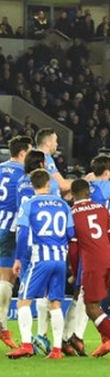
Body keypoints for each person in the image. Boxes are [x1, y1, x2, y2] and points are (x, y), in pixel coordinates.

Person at [7, 169, 74, 359]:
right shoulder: (63, 204)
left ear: (33, 185)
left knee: (23, 302)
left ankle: (27, 345)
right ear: (48, 184)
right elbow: (70, 233)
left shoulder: (29, 204)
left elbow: (22, 234)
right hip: (60, 259)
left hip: (40, 259)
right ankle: (57, 349)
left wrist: (19, 259)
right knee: (55, 303)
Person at [68, 179, 110, 359]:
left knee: (91, 307)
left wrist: (74, 271)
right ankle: (107, 341)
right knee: (94, 303)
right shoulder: (101, 208)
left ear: (72, 195)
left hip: (93, 264)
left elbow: (73, 249)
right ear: (89, 193)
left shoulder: (71, 213)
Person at [0, 136, 32, 349]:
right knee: (7, 279)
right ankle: (2, 325)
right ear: (23, 153)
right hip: (10, 228)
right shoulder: (24, 175)